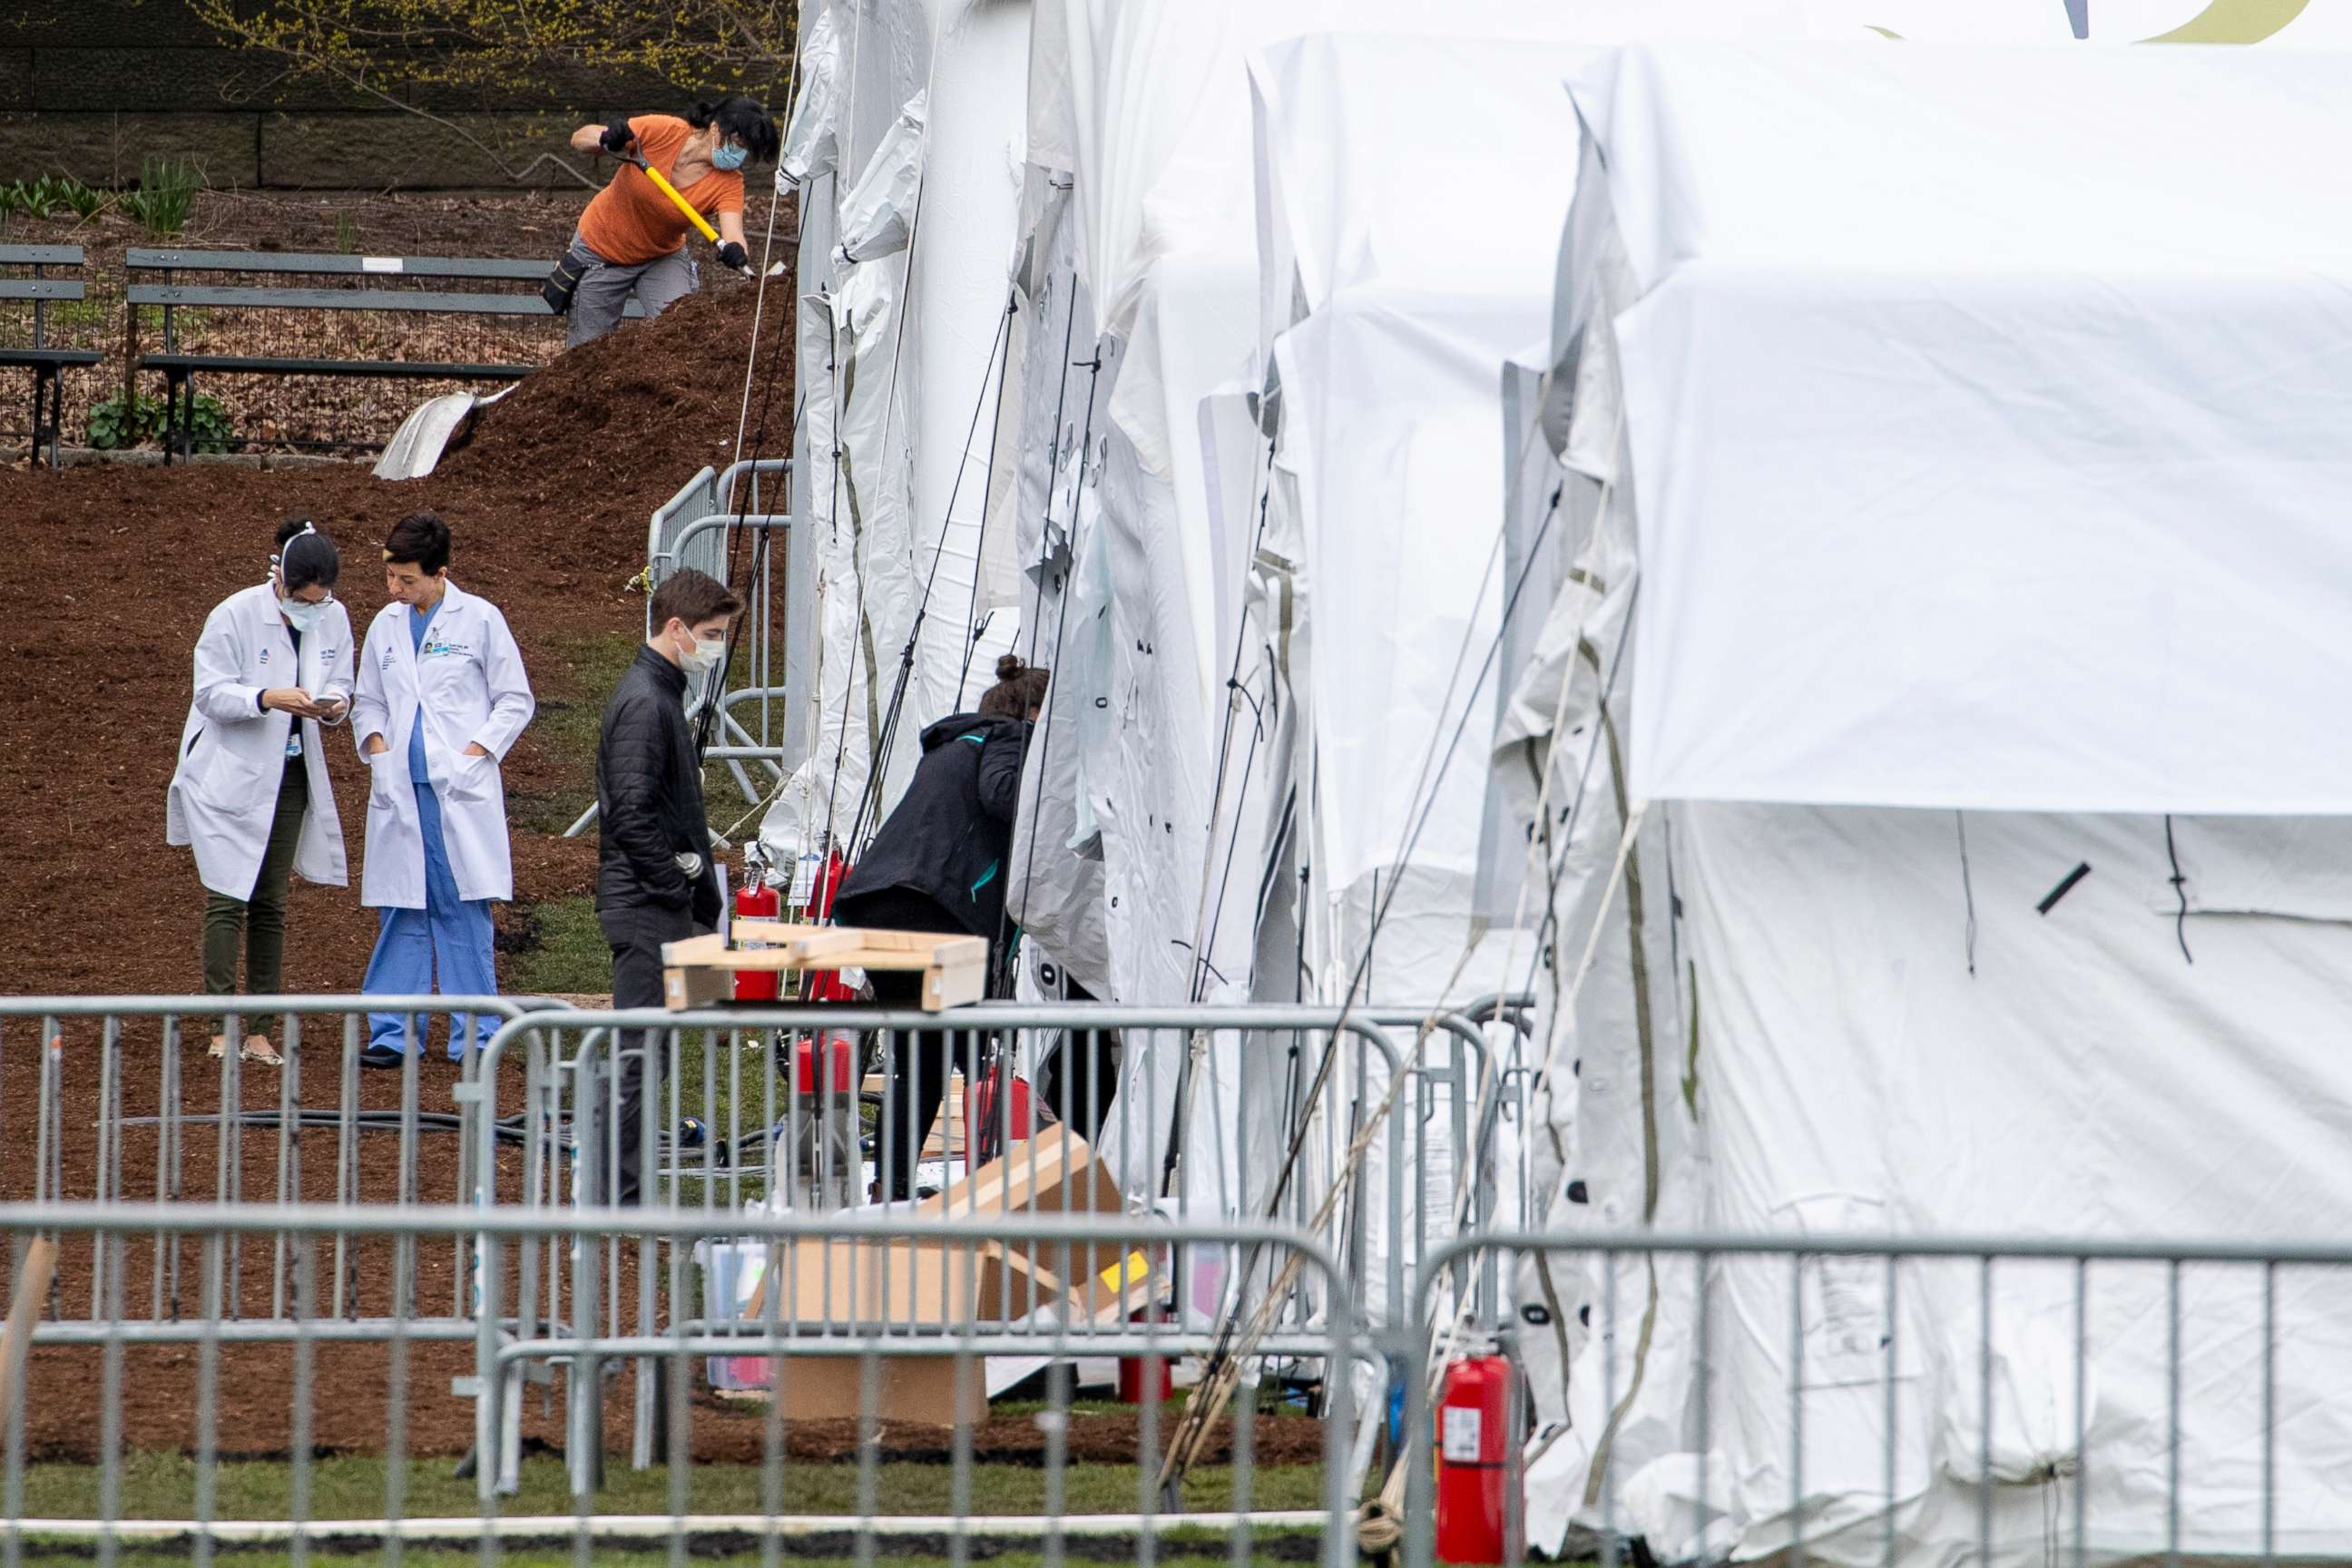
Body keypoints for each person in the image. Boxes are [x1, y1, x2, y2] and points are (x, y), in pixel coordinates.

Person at [834, 655, 1049, 1200]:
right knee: (973, 1048)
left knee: (920, 1054)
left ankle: (895, 1183)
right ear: (1033, 714)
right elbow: (1004, 795)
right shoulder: (1012, 738)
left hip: (876, 900)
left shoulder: (955, 744)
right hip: (932, 910)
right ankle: (995, 1183)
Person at [166, 518, 355, 1066]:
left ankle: (259, 1029)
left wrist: (336, 704)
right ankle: (221, 1028)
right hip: (232, 774)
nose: (314, 610)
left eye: (322, 601)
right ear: (281, 582)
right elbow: (211, 694)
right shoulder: (234, 613)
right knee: (228, 896)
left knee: (272, 902)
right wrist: (266, 697)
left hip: (291, 776)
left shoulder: (334, 616)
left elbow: (342, 677)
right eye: (305, 600)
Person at [352, 512, 535, 1069]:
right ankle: (392, 1033)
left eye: (407, 580)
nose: (395, 590)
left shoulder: (479, 620)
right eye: (390, 577)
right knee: (401, 909)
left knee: (460, 908)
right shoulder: (386, 624)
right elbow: (369, 701)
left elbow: (514, 699)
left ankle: (476, 1037)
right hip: (399, 791)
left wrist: (473, 756)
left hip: (457, 790)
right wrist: (379, 751)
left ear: (440, 574)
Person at [592, 568, 740, 1204]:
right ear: (674, 628)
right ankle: (618, 1198)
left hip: (659, 904)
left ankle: (624, 1189)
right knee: (638, 1059)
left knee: (649, 1057)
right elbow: (629, 811)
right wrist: (676, 886)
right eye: (710, 635)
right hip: (648, 908)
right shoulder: (647, 702)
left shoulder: (659, 694)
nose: (717, 648)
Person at [560, 96, 779, 348]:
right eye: (739, 144)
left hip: (661, 257)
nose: (739, 155)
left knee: (681, 333)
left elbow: (734, 232)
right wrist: (606, 137)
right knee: (587, 351)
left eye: (746, 151)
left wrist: (736, 250)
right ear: (717, 128)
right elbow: (579, 138)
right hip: (601, 249)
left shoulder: (729, 182)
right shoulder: (664, 131)